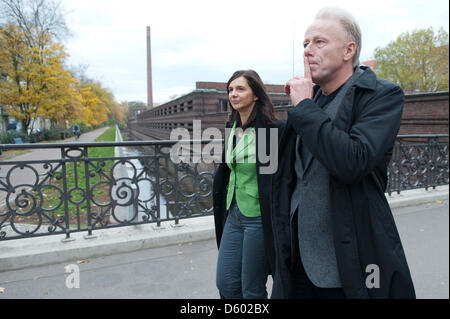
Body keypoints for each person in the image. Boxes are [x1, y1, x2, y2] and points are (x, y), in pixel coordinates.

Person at [271, 7, 416, 298]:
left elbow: (353, 160)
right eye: (305, 44)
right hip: (298, 260)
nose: (308, 50)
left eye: (319, 42)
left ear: (349, 50)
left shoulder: (380, 95)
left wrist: (303, 109)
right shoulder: (312, 103)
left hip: (350, 261)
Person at [213, 70, 285, 298]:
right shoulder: (231, 129)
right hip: (233, 214)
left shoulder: (270, 131)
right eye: (231, 90)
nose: (233, 94)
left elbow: (275, 178)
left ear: (256, 95)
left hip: (258, 218)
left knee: (252, 290)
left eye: (240, 89)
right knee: (226, 284)